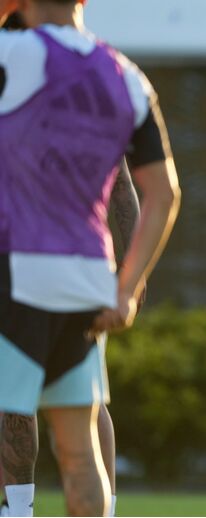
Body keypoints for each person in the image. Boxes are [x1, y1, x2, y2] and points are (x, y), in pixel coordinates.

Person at [0, 0, 181, 515]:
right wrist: (126, 288)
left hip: (16, 271)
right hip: (85, 278)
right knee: (80, 452)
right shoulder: (126, 75)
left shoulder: (14, 54)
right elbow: (163, 193)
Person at [1, 160, 136, 518]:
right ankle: (19, 511)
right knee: (65, 398)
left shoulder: (99, 105)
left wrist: (133, 274)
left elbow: (127, 183)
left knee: (77, 399)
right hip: (41, 264)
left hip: (64, 265)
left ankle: (24, 512)